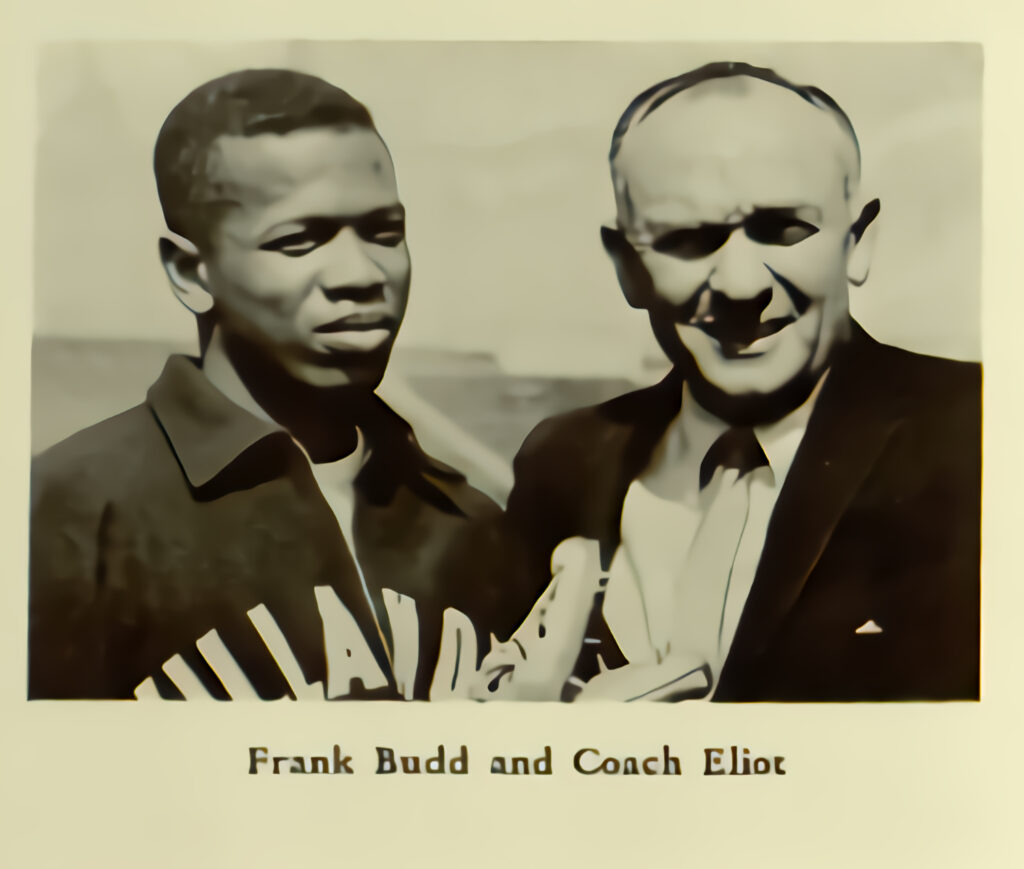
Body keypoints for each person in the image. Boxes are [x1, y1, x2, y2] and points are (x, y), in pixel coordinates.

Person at [498, 62, 981, 702]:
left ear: (858, 243)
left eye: (783, 229)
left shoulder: (983, 436)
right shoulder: (561, 461)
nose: (739, 285)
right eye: (687, 238)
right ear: (627, 267)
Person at [29, 69, 500, 701]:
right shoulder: (62, 521)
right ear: (191, 272)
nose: (361, 274)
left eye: (385, 233)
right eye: (299, 240)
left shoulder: (476, 523)